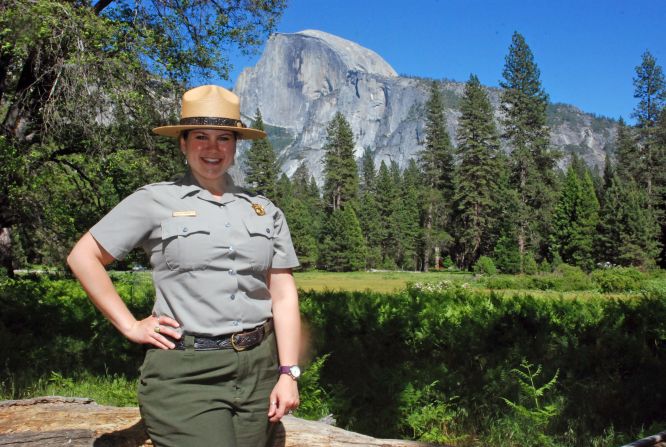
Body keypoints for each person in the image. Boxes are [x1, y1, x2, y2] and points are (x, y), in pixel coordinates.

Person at [67, 85, 301, 447]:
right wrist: (130, 325)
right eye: (201, 137)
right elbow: (83, 257)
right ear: (183, 143)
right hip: (186, 372)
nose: (212, 148)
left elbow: (283, 295)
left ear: (236, 144)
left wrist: (288, 372)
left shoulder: (263, 208)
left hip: (259, 370)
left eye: (224, 137)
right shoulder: (154, 200)